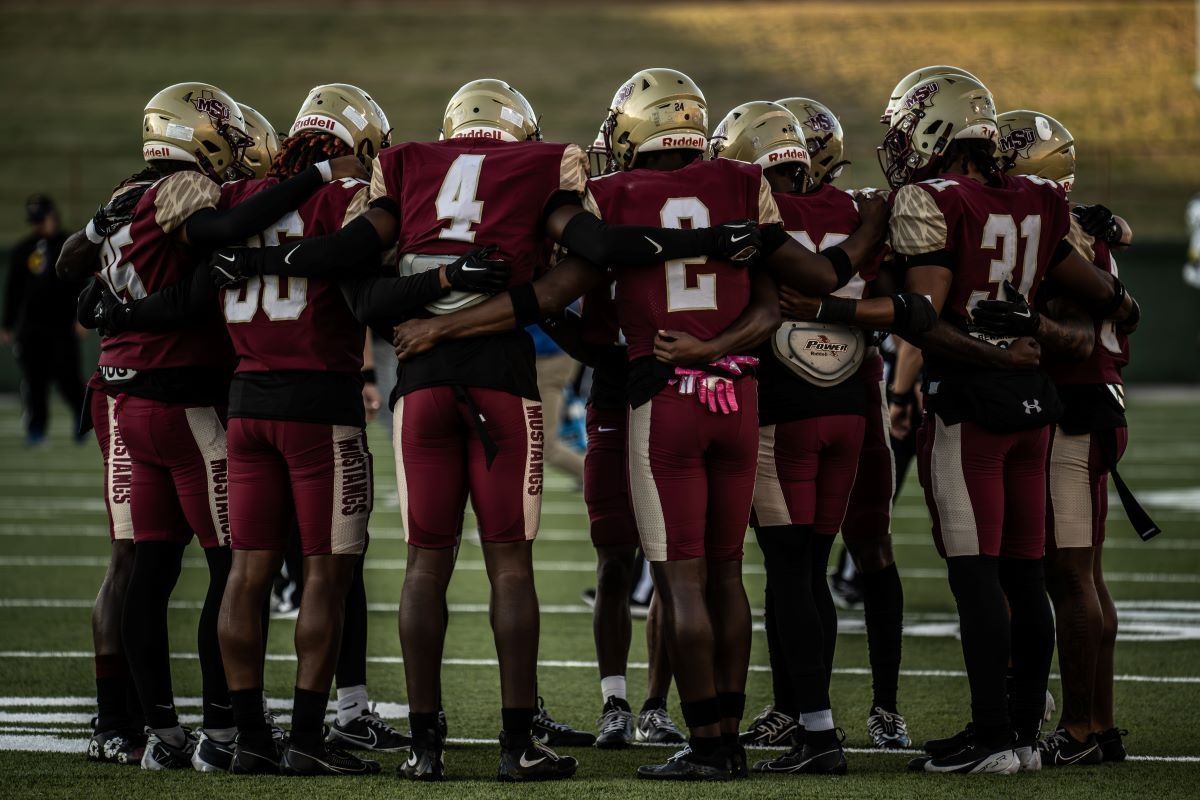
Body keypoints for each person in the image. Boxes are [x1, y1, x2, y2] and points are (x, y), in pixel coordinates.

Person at [212, 76, 759, 781]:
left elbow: (361, 282)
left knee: (424, 564)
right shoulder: (544, 165)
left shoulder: (404, 166)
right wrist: (710, 241)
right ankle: (516, 743)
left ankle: (424, 747)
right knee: (510, 566)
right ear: (520, 135)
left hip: (417, 384)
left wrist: (430, 298)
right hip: (502, 381)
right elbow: (594, 250)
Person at [390, 68, 890, 781]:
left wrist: (453, 324)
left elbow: (559, 298)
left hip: (663, 398)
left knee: (679, 580)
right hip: (738, 396)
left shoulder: (612, 194)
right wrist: (867, 230)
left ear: (633, 129)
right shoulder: (742, 182)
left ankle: (709, 742)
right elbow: (804, 286)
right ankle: (730, 737)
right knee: (726, 575)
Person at [61, 81, 366, 771]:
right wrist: (319, 175)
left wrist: (110, 286)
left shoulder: (126, 199)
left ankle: (147, 727)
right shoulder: (197, 195)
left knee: (144, 564)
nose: (237, 158)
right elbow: (215, 247)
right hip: (189, 400)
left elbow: (78, 282)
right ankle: (225, 727)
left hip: (123, 397)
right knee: (234, 568)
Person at [877, 71, 1137, 774]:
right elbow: (1109, 298)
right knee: (1025, 575)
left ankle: (992, 735)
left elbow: (924, 318)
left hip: (973, 406)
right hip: (1034, 409)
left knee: (977, 576)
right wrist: (1101, 312)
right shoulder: (1038, 198)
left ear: (936, 128)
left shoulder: (931, 199)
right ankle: (1022, 735)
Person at [990, 109, 1134, 765]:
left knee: (1069, 577)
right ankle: (1098, 725)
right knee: (1088, 577)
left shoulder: (1057, 236)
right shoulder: (1075, 228)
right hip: (1097, 403)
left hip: (1074, 407)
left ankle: (1079, 730)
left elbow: (1080, 328)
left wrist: (1026, 327)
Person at [3, 194, 86, 446]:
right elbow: (13, 291)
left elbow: (81, 286)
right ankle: (36, 429)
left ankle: (82, 422)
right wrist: (7, 324)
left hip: (62, 325)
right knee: (35, 381)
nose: (39, 225)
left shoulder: (70, 245)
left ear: (53, 216)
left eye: (42, 219)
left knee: (69, 378)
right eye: (35, 221)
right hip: (32, 327)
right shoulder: (23, 250)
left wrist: (82, 318)